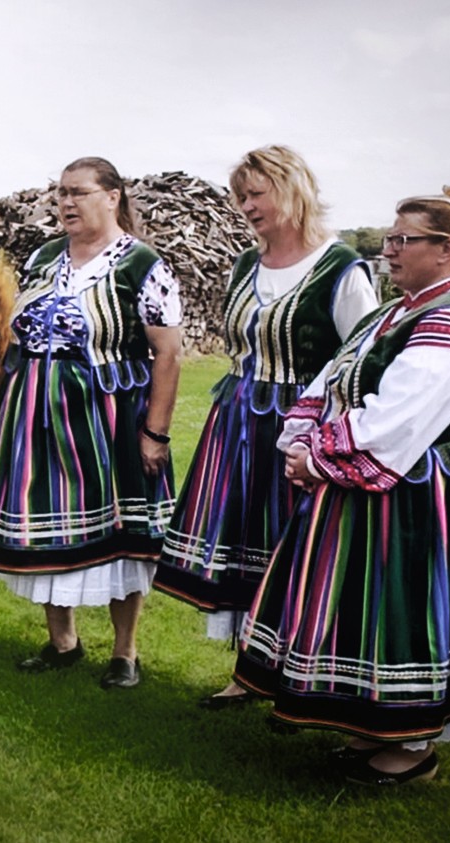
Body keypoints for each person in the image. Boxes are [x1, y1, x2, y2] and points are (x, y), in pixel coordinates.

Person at [233, 187, 450, 785]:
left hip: (419, 493)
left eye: (402, 240)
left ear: (445, 249)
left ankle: (412, 748)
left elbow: (395, 420)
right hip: (376, 489)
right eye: (388, 238)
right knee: (365, 605)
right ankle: (375, 729)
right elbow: (330, 380)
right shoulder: (397, 310)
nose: (387, 249)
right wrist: (299, 437)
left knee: (406, 606)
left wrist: (313, 458)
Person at [153, 146, 377, 708]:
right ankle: (247, 673)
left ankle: (302, 673)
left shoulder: (342, 267)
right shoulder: (244, 265)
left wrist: (331, 437)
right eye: (241, 196)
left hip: (302, 428)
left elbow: (364, 360)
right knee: (243, 542)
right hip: (240, 423)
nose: (247, 206)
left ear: (292, 188)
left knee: (297, 546)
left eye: (257, 193)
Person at [0, 157, 182, 688]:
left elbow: (168, 355)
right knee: (44, 525)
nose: (65, 202)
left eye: (78, 192)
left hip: (107, 417)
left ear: (112, 197)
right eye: (60, 193)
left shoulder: (141, 265)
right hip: (34, 411)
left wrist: (155, 432)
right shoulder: (42, 258)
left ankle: (125, 653)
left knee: (123, 533)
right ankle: (63, 643)